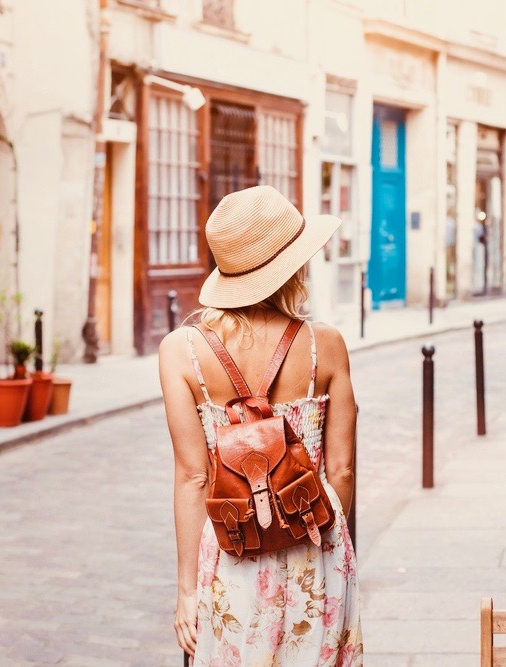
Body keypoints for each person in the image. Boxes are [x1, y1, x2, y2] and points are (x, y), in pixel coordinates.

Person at [158, 185, 363, 666]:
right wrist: (322, 539)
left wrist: (187, 590)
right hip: (316, 542)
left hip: (233, 549)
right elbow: (343, 469)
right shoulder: (325, 345)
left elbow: (192, 477)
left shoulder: (180, 351)